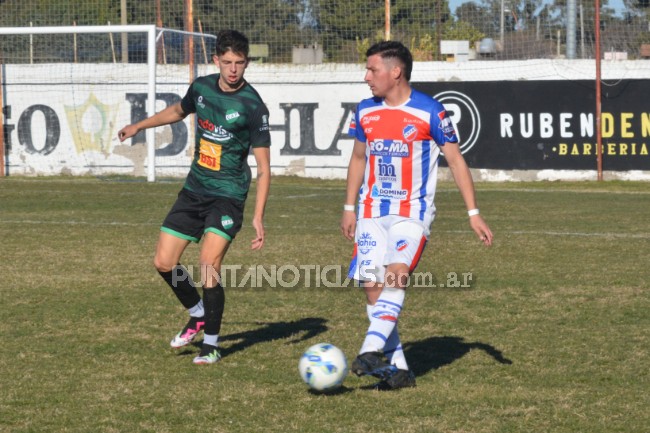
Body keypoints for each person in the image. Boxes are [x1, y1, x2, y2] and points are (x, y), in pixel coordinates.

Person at [340, 40, 493, 390]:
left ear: (396, 72)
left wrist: (473, 212)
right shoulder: (365, 110)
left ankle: (369, 350)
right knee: (371, 287)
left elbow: (455, 160)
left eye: (372, 69)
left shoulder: (430, 111)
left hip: (412, 213)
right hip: (370, 212)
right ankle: (400, 372)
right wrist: (349, 208)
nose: (367, 77)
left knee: (396, 273)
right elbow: (359, 159)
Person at [117, 30, 271, 365]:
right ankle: (198, 313)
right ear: (216, 60)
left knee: (208, 265)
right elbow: (177, 111)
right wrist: (139, 126)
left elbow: (263, 167)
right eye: (227, 62)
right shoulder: (201, 87)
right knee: (163, 263)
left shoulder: (253, 106)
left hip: (228, 196)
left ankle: (211, 344)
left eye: (239, 63)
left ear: (246, 63)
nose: (233, 69)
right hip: (194, 189)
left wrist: (258, 216)